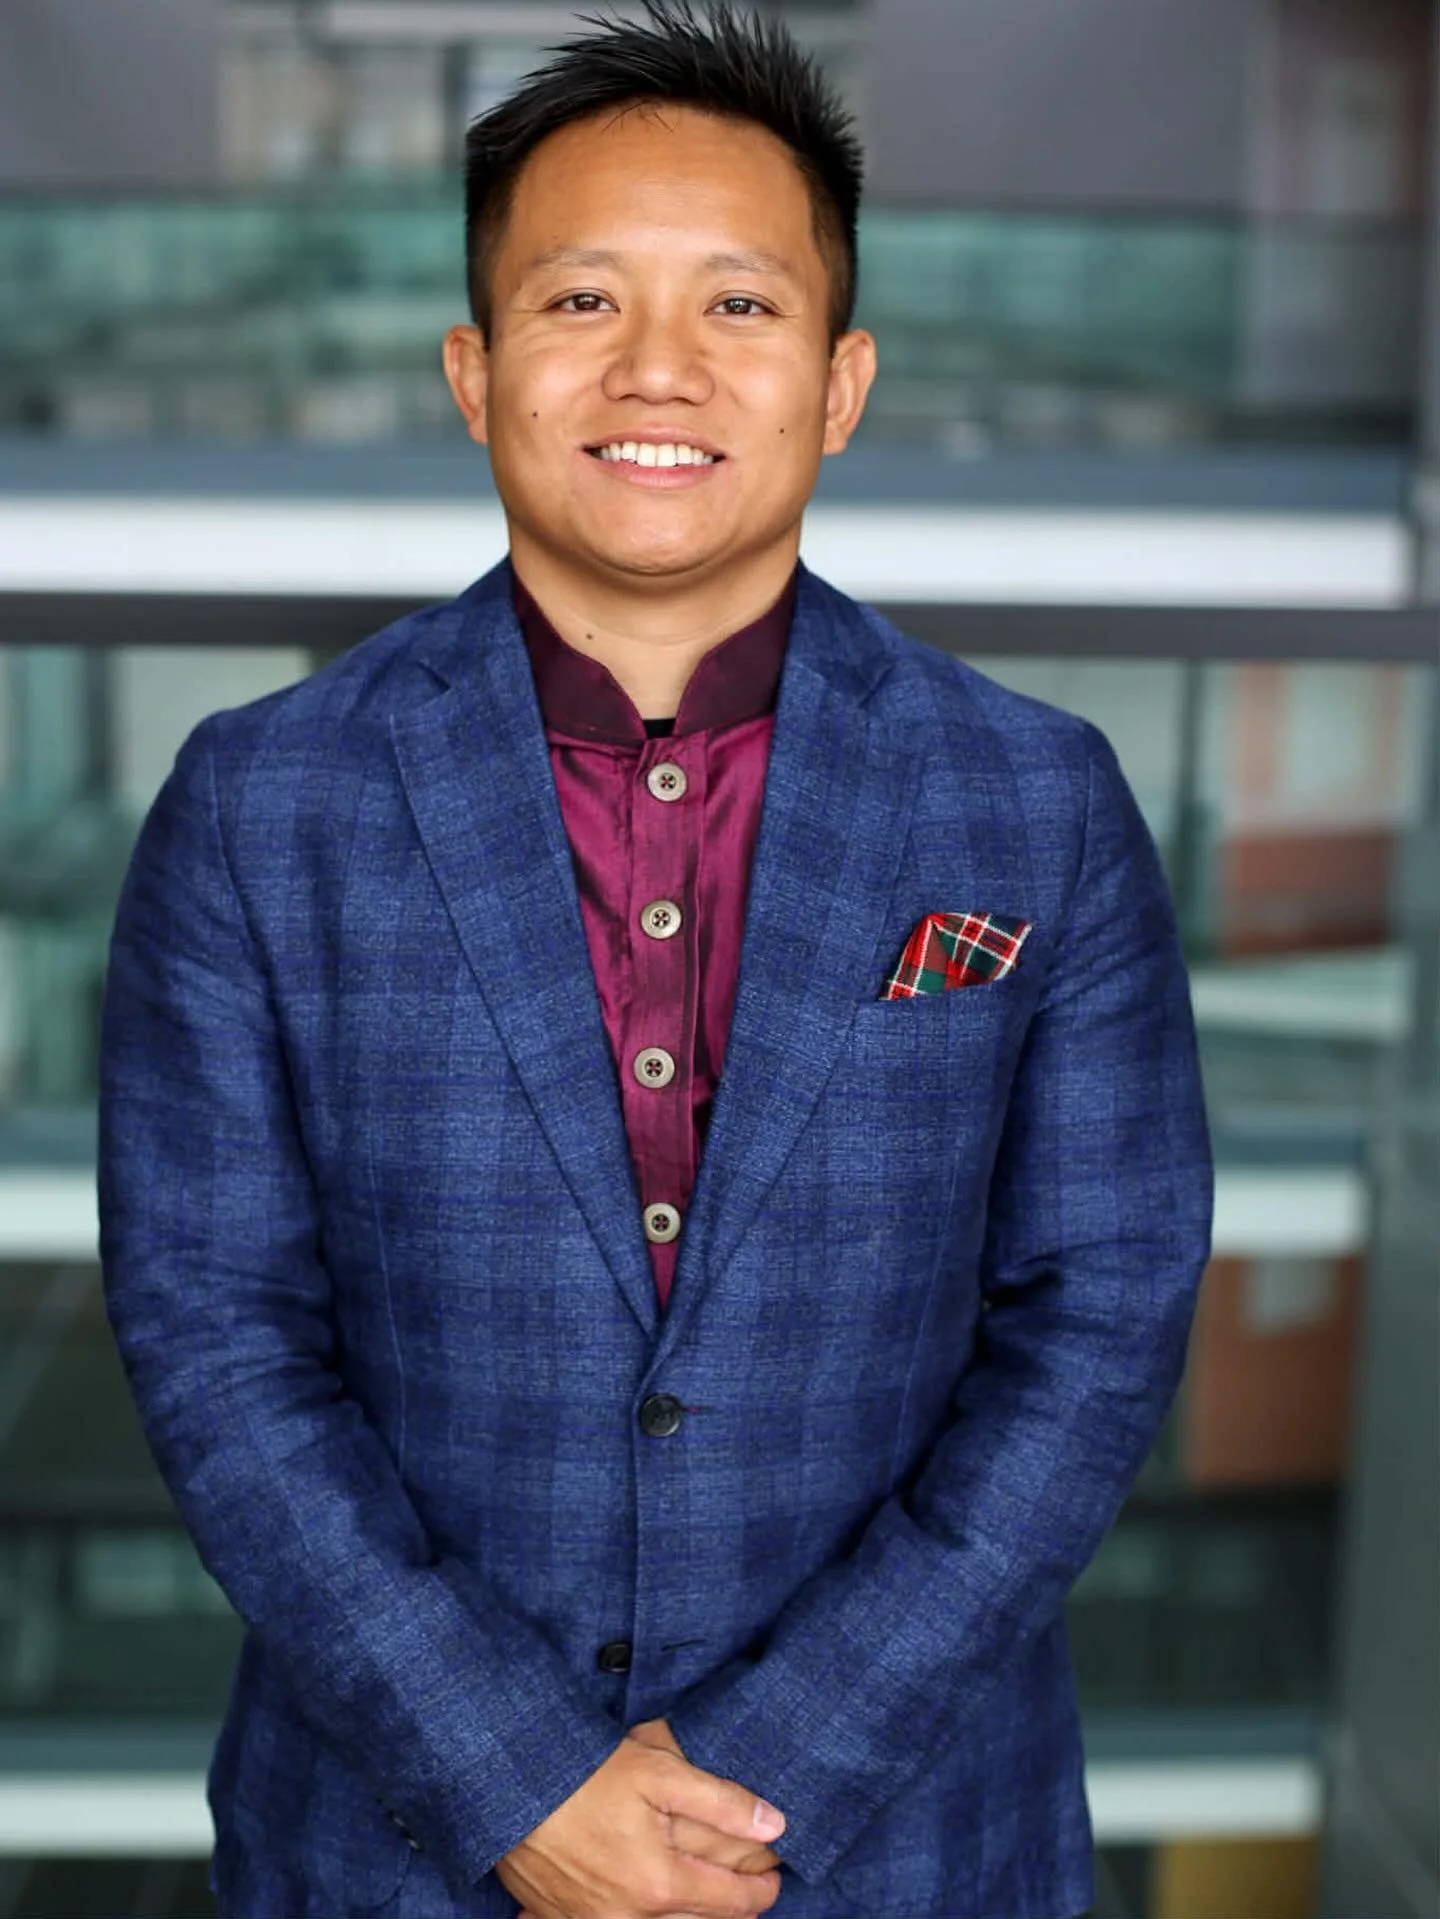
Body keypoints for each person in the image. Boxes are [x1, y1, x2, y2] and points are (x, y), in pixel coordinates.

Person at [96, 3, 1214, 1915]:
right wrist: (516, 1777)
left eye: (743, 308)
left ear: (843, 382)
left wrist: (765, 1775)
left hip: (906, 1840)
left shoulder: (1036, 801)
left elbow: (1100, 1317)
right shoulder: (256, 803)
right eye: (582, 302)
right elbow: (213, 1334)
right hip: (396, 1842)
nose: (662, 369)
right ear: (474, 369)